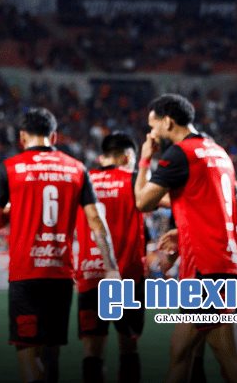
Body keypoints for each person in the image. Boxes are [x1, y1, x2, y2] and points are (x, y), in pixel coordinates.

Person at [0, 107, 118, 383]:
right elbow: (96, 219)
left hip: (26, 273)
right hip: (59, 273)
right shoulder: (77, 168)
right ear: (54, 136)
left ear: (22, 137)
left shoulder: (10, 168)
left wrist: (16, 208)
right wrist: (111, 266)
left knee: (27, 354)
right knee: (52, 353)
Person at [133, 93, 237, 383]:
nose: (151, 133)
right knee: (181, 350)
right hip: (220, 262)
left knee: (226, 355)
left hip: (206, 267)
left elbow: (142, 202)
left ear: (168, 121)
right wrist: (184, 231)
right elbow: (211, 205)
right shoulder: (218, 152)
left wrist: (144, 159)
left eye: (153, 126)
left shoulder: (179, 154)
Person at [75, 131, 146, 383]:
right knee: (128, 345)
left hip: (91, 275)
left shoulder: (83, 180)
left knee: (92, 349)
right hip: (127, 275)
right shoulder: (134, 180)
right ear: (128, 157)